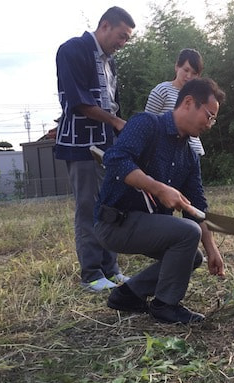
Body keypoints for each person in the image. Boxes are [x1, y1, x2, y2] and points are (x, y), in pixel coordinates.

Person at [94, 78, 226, 324]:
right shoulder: (146, 125)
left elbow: (197, 206)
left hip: (146, 225)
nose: (210, 125)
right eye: (209, 116)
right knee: (188, 233)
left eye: (213, 120)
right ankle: (165, 305)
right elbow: (115, 161)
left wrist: (212, 250)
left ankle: (128, 294)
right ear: (189, 102)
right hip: (114, 223)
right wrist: (158, 188)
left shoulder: (189, 156)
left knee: (193, 256)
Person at [55, 6, 135, 291]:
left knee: (110, 205)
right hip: (81, 143)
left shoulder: (110, 61)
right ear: (105, 26)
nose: (122, 43)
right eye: (121, 36)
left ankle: (111, 270)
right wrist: (116, 121)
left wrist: (120, 131)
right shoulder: (72, 50)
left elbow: (113, 102)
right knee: (88, 207)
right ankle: (91, 274)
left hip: (107, 143)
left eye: (127, 39)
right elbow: (78, 101)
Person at [145, 48, 206, 156]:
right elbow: (146, 124)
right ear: (177, 67)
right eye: (186, 70)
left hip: (193, 154)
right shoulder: (162, 90)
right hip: (168, 153)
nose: (189, 76)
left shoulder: (196, 97)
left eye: (194, 73)